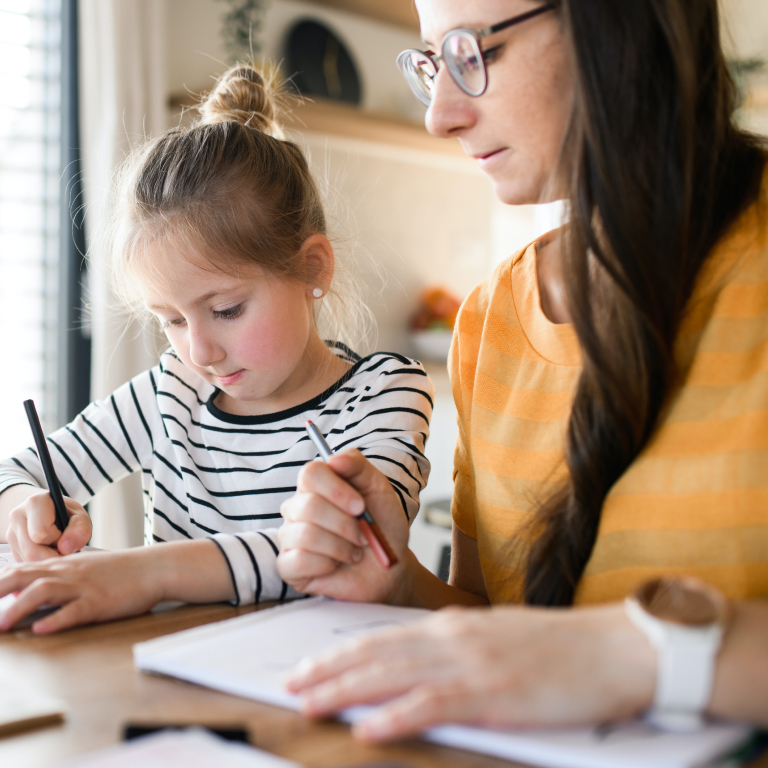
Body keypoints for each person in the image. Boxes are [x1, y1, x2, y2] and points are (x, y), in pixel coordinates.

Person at [275, 0, 768, 740]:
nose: (439, 116)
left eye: (474, 52)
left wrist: (633, 655)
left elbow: (565, 654)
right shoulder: (491, 318)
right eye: (432, 65)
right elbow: (508, 632)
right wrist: (399, 585)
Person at [0, 65, 433, 633]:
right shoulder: (171, 391)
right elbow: (16, 474)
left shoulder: (384, 393)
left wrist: (147, 574)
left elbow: (342, 550)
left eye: (225, 310)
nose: (199, 350)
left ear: (312, 268)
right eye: (171, 320)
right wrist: (27, 511)